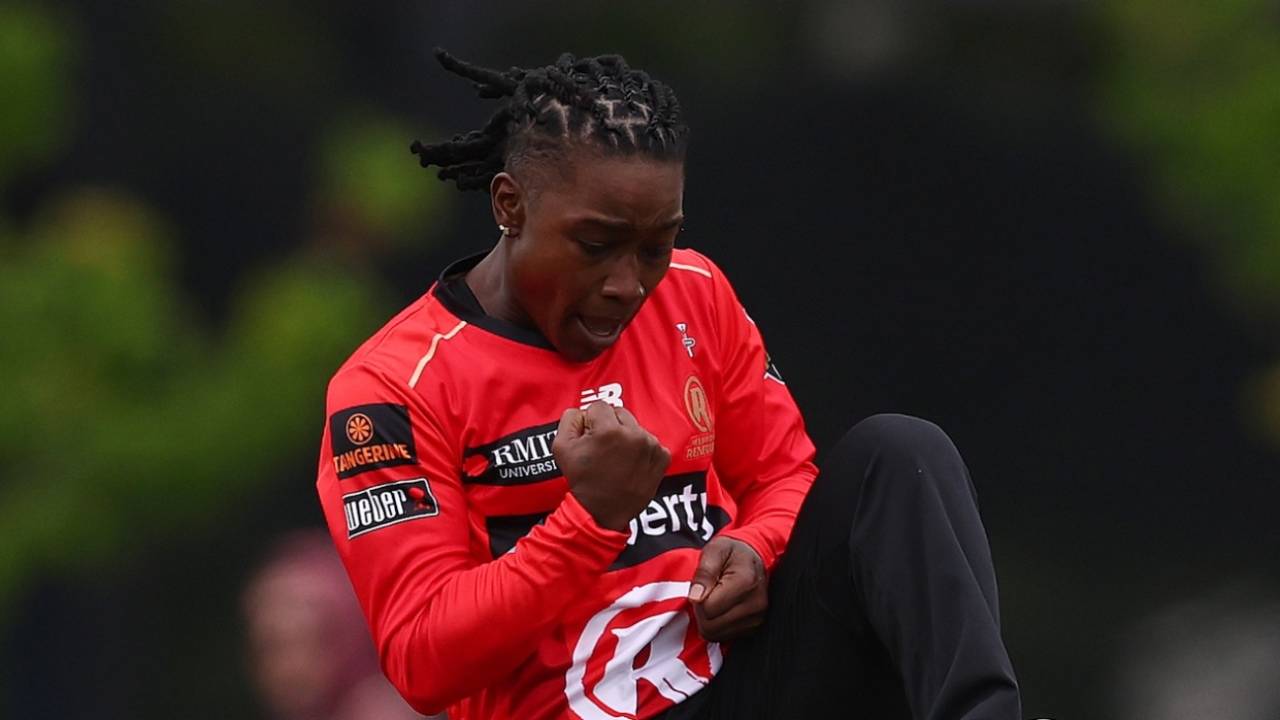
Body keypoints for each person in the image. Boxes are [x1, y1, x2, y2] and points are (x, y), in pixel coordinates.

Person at [315, 49, 1020, 719]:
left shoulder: (695, 293)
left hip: (746, 683)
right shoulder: (390, 390)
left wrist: (757, 547)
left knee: (899, 455)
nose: (628, 285)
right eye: (596, 246)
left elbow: (785, 477)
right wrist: (590, 521)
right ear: (511, 206)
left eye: (657, 245)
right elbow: (422, 660)